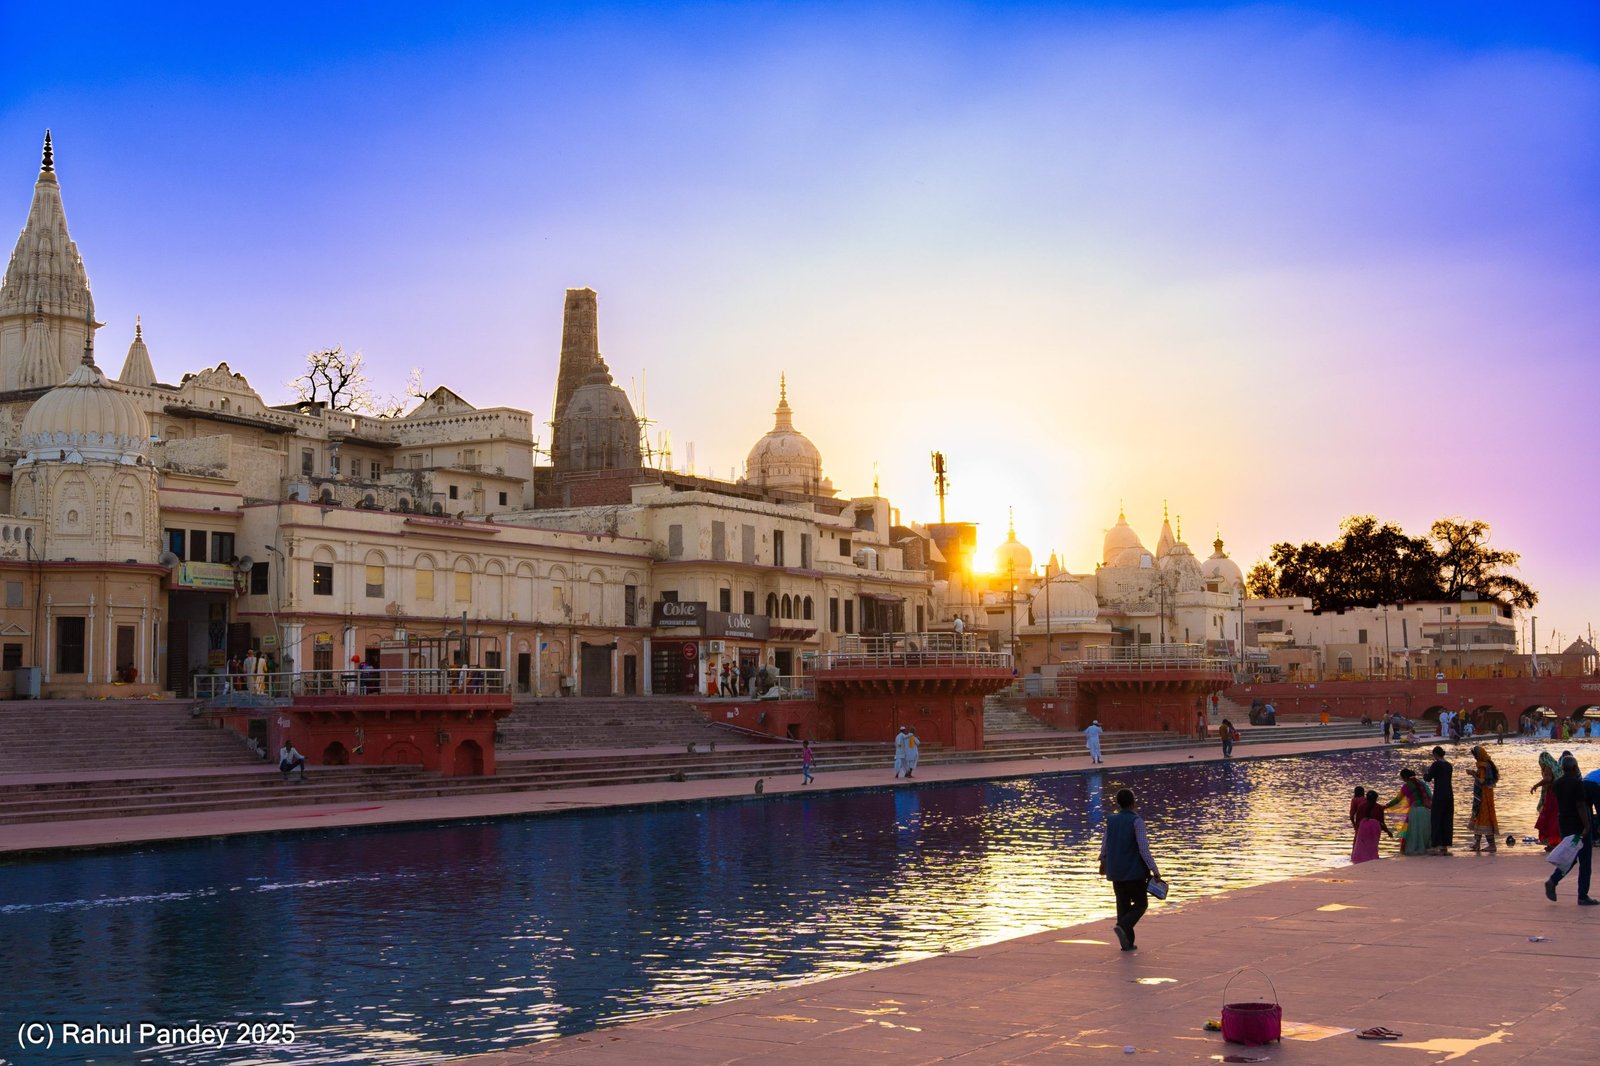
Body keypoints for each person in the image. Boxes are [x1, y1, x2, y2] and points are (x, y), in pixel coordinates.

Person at [1099, 788, 1162, 952]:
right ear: (1133, 802)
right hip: (1134, 872)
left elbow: (1105, 843)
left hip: (1115, 871)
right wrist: (1154, 869)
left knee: (1122, 904)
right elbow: (1143, 848)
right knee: (1141, 904)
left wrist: (1102, 861)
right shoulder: (1137, 821)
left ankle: (1127, 944)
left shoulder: (1111, 820)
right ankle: (1123, 925)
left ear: (1118, 803)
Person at [1544, 754, 1596, 906]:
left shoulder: (1557, 784)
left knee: (1571, 858)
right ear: (1574, 767)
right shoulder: (1577, 784)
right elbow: (1580, 806)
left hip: (1565, 826)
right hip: (1579, 827)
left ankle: (1553, 881)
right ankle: (1582, 896)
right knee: (1585, 861)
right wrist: (1587, 826)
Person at [1385, 768, 1432, 856]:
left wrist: (1385, 806)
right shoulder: (1421, 783)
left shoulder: (1406, 786)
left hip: (1415, 812)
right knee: (1424, 832)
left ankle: (1415, 849)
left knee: (1414, 832)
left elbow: (1397, 800)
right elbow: (1430, 796)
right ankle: (1426, 848)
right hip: (1426, 811)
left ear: (1405, 777)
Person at [1423, 746, 1455, 855]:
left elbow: (1428, 778)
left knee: (1437, 819)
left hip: (1439, 795)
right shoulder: (1449, 765)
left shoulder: (1436, 764)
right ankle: (1445, 845)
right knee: (1447, 819)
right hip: (1449, 795)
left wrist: (1425, 771)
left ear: (1435, 754)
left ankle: (1436, 844)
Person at [1468, 745, 1500, 853]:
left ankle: (1492, 845)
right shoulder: (1487, 765)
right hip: (1485, 795)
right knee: (1478, 817)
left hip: (1484, 797)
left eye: (1476, 756)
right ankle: (1477, 844)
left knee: (1484, 818)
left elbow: (1482, 781)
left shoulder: (1483, 767)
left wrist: (1473, 774)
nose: (1475, 758)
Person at [1352, 789, 1393, 863]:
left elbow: (1358, 820)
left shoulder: (1361, 806)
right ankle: (1372, 858)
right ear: (1376, 798)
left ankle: (1361, 859)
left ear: (1366, 798)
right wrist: (1388, 831)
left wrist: (1357, 830)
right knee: (1373, 846)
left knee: (1362, 846)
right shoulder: (1379, 807)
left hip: (1363, 828)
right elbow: (1382, 822)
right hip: (1375, 829)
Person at [1532, 751, 1563, 850]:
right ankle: (1554, 842)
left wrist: (1535, 785)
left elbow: (1548, 779)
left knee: (1549, 819)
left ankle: (1553, 842)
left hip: (1552, 795)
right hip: (1558, 795)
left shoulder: (1548, 767)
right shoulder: (1556, 766)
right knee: (1554, 818)